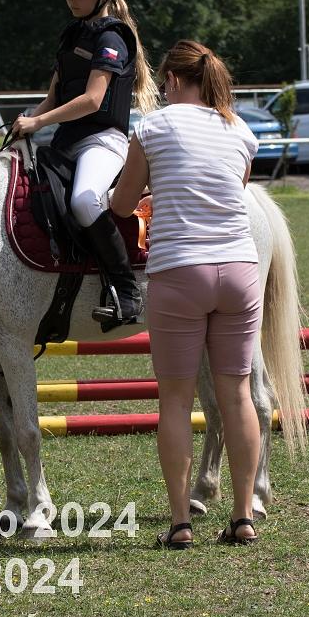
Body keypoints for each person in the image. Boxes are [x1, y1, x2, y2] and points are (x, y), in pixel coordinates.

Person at [110, 39, 271, 549]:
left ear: (174, 81)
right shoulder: (240, 130)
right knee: (238, 395)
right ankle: (243, 516)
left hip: (180, 272)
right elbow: (231, 190)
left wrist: (147, 197)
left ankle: (180, 523)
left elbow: (121, 205)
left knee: (176, 401)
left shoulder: (152, 127)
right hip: (240, 271)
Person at [9, 0, 159, 331]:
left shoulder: (112, 39)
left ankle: (127, 292)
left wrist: (39, 123)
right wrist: (26, 120)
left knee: (84, 199)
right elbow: (54, 96)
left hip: (102, 140)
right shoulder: (71, 36)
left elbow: (93, 100)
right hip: (66, 142)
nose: (71, 0)